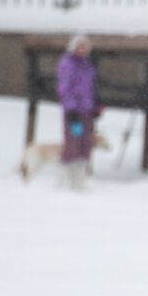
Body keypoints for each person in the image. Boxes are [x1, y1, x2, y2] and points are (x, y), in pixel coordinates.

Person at [56, 33, 99, 190]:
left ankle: (80, 182)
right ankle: (63, 182)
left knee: (85, 145)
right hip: (73, 111)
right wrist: (70, 108)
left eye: (84, 46)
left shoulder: (88, 65)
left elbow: (91, 88)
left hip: (86, 110)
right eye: (79, 46)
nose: (82, 49)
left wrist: (94, 106)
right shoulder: (67, 64)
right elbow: (64, 88)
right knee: (72, 144)